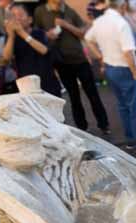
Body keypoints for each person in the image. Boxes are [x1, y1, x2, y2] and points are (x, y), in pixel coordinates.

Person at [35, 0, 111, 135]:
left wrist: (66, 25)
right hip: (61, 61)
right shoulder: (40, 12)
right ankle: (82, 128)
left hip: (79, 59)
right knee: (74, 96)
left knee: (93, 94)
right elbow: (36, 33)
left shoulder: (69, 10)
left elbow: (82, 33)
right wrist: (47, 35)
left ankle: (104, 124)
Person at [85, 0, 136, 153]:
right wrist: (135, 73)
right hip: (125, 68)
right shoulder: (121, 23)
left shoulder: (99, 21)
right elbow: (128, 52)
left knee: (123, 106)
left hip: (110, 67)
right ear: (123, 6)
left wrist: (100, 57)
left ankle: (131, 141)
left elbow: (88, 38)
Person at [2, 2, 61, 96]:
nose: (17, 19)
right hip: (28, 86)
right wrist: (11, 37)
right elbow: (6, 58)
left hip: (47, 81)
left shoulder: (39, 33)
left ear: (30, 19)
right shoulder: (11, 37)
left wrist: (21, 32)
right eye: (13, 16)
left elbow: (44, 50)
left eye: (20, 15)